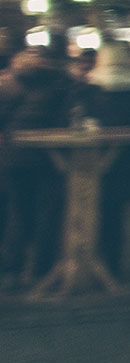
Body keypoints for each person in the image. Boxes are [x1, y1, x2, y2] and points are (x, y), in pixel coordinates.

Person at [80, 40, 130, 280]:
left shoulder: (89, 90)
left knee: (99, 211)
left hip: (92, 158)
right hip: (127, 161)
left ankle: (97, 262)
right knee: (114, 213)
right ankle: (111, 265)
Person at [0, 43, 78, 287]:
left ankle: (13, 269)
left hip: (15, 157)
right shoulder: (60, 84)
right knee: (47, 214)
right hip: (49, 157)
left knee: (18, 213)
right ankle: (42, 270)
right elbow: (65, 120)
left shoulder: (9, 83)